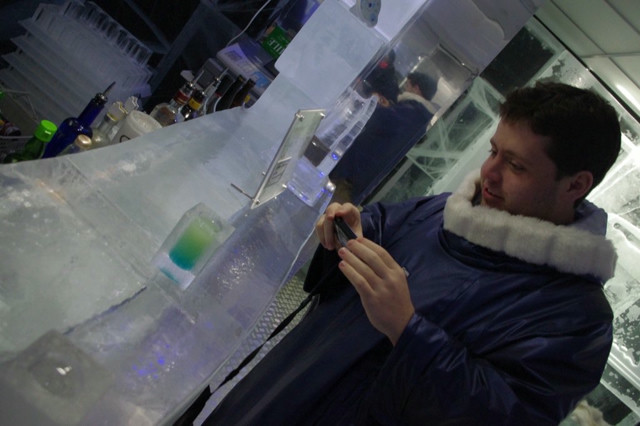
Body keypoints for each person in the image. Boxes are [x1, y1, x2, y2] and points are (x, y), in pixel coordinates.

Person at [203, 81, 621, 425]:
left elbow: (506, 417)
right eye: (494, 151)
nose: (489, 172)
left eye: (516, 165)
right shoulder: (440, 210)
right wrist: (345, 232)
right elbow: (370, 236)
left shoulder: (577, 319)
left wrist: (408, 329)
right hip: (270, 398)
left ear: (574, 185)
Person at [329, 61, 434, 204]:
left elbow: (380, 120)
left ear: (417, 89)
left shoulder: (413, 112)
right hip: (362, 178)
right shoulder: (416, 116)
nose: (404, 90)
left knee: (330, 213)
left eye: (407, 86)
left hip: (356, 176)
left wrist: (376, 105)